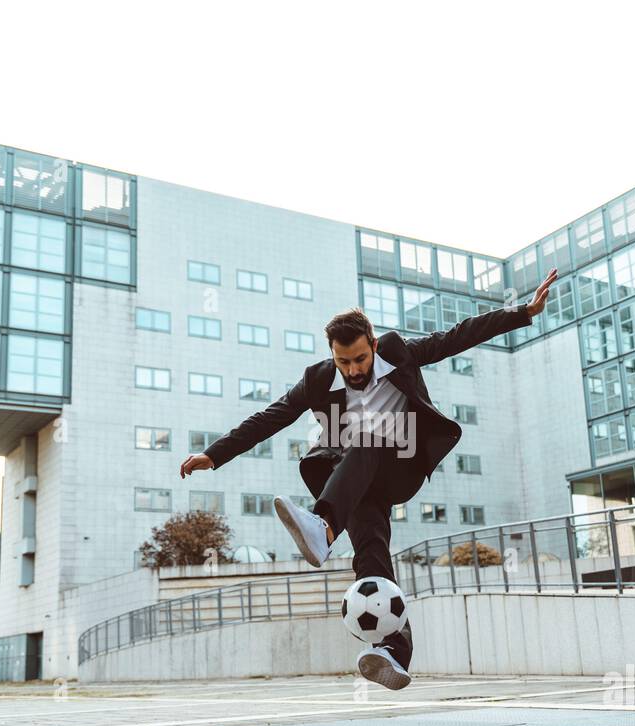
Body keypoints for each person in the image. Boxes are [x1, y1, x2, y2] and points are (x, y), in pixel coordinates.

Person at [180, 268, 559, 689]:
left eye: (360, 359)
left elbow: (457, 336)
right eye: (343, 362)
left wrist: (522, 313)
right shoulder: (317, 379)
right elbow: (271, 417)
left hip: (400, 466)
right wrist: (214, 454)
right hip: (353, 483)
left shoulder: (398, 352)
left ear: (373, 345)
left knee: (369, 439)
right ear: (332, 355)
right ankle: (393, 649)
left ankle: (323, 527)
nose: (353, 369)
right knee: (370, 552)